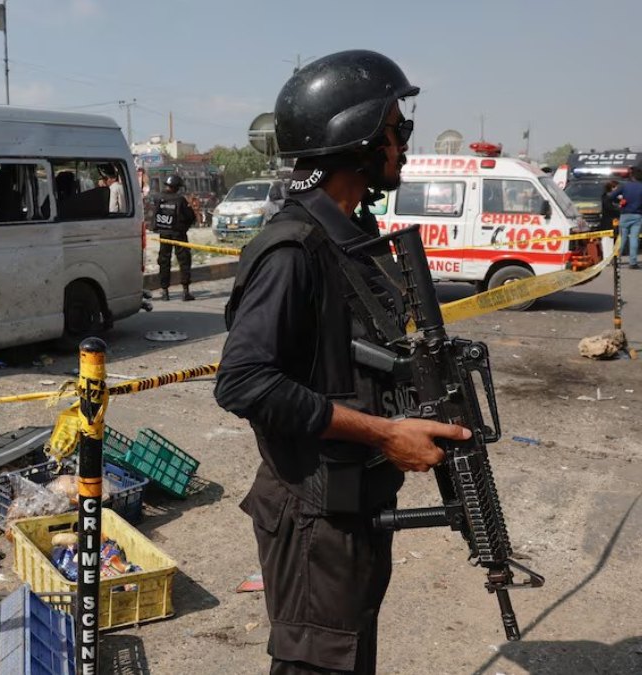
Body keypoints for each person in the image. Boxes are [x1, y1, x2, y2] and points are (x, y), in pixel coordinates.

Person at [214, 50, 471, 675]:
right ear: (356, 137)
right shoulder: (294, 250)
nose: (402, 145)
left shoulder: (347, 237)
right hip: (315, 520)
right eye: (395, 129)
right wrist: (384, 434)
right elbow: (243, 382)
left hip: (350, 509)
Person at [151, 174, 197, 301]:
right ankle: (185, 292)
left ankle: (165, 292)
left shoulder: (158, 198)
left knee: (164, 261)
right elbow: (191, 217)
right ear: (176, 187)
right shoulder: (180, 200)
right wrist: (185, 227)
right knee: (184, 261)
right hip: (178, 234)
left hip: (164, 234)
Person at [608, 165, 642, 269]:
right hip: (638, 215)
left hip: (625, 214)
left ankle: (616, 259)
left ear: (632, 176)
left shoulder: (624, 186)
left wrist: (619, 202)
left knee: (622, 238)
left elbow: (611, 196)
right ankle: (633, 262)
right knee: (634, 239)